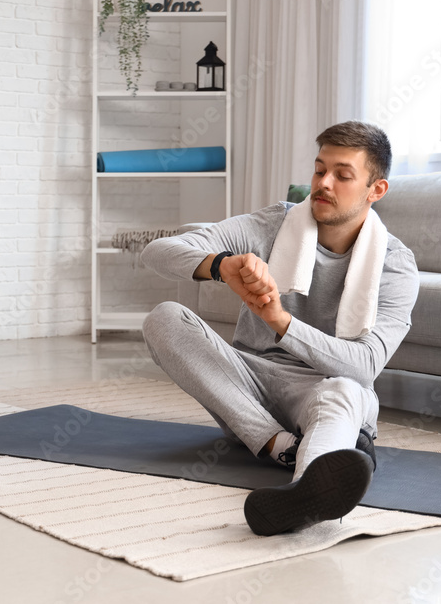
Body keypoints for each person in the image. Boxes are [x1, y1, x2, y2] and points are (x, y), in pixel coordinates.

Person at [140, 120, 419, 536]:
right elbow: (157, 252)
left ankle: (306, 491)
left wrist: (281, 322)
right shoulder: (274, 224)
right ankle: (282, 447)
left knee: (346, 391)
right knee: (164, 318)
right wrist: (222, 265)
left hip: (324, 388)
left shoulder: (396, 264)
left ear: (375, 190)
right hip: (248, 386)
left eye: (342, 175)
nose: (323, 183)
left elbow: (363, 366)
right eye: (319, 169)